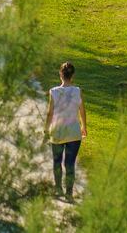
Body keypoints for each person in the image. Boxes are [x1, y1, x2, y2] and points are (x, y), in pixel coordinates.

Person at [48, 62, 85, 199]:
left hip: (57, 131)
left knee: (57, 161)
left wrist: (46, 129)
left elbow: (50, 113)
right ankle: (69, 193)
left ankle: (58, 189)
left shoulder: (54, 92)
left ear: (60, 75)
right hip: (74, 132)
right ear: (73, 75)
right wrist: (84, 127)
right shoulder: (77, 91)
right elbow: (82, 111)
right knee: (70, 163)